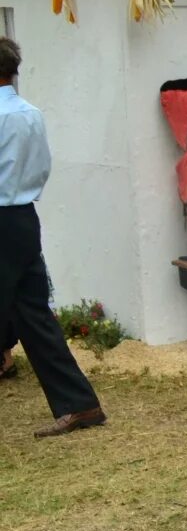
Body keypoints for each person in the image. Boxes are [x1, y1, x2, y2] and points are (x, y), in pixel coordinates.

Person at [0, 37, 107, 439]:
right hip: (23, 218)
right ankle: (80, 404)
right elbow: (42, 168)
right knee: (33, 315)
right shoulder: (31, 113)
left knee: (31, 314)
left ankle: (79, 404)